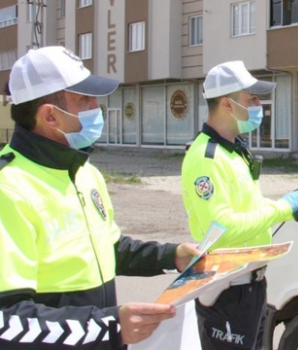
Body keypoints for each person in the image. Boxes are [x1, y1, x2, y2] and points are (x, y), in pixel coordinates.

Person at [0, 46, 201, 350]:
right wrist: (108, 327)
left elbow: (109, 249)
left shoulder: (83, 171)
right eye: (84, 99)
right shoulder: (9, 188)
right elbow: (9, 318)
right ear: (50, 116)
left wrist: (172, 256)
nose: (98, 107)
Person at [181, 61, 298, 350]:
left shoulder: (234, 150)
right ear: (227, 104)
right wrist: (281, 209)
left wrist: (282, 205)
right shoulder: (206, 157)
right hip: (228, 291)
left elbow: (246, 207)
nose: (259, 104)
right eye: (251, 98)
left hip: (251, 285)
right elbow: (223, 227)